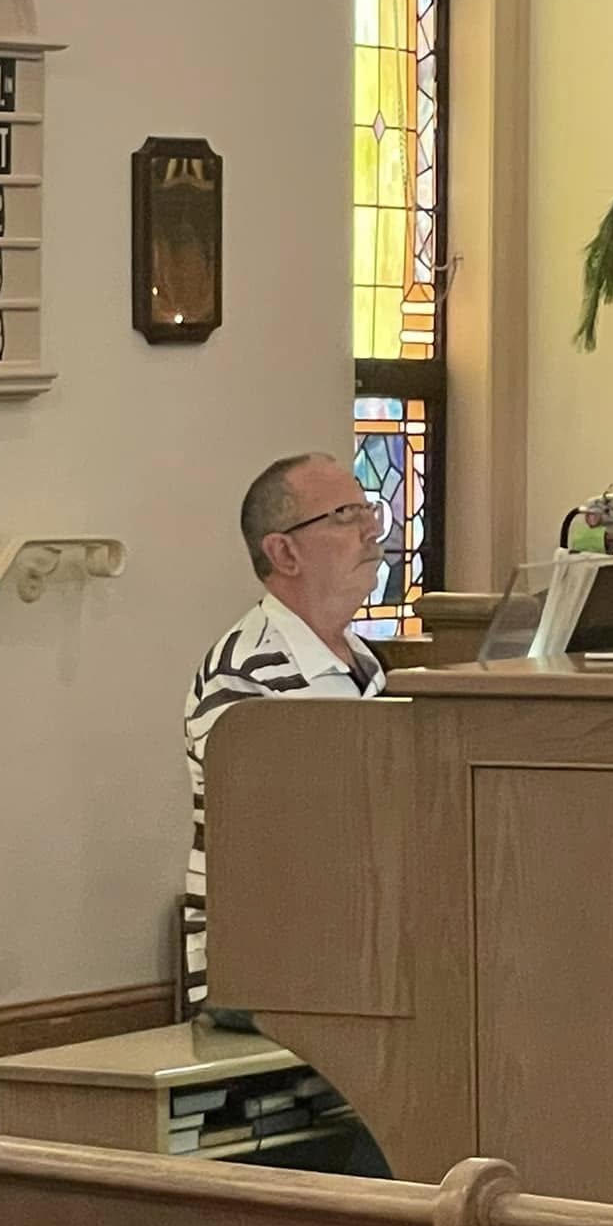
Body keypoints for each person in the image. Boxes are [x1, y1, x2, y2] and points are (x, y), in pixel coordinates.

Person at [183, 451, 390, 1174]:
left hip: (349, 951)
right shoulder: (244, 674)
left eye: (369, 512)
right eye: (345, 517)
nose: (372, 531)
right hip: (266, 964)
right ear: (283, 552)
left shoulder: (364, 665)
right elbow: (292, 847)